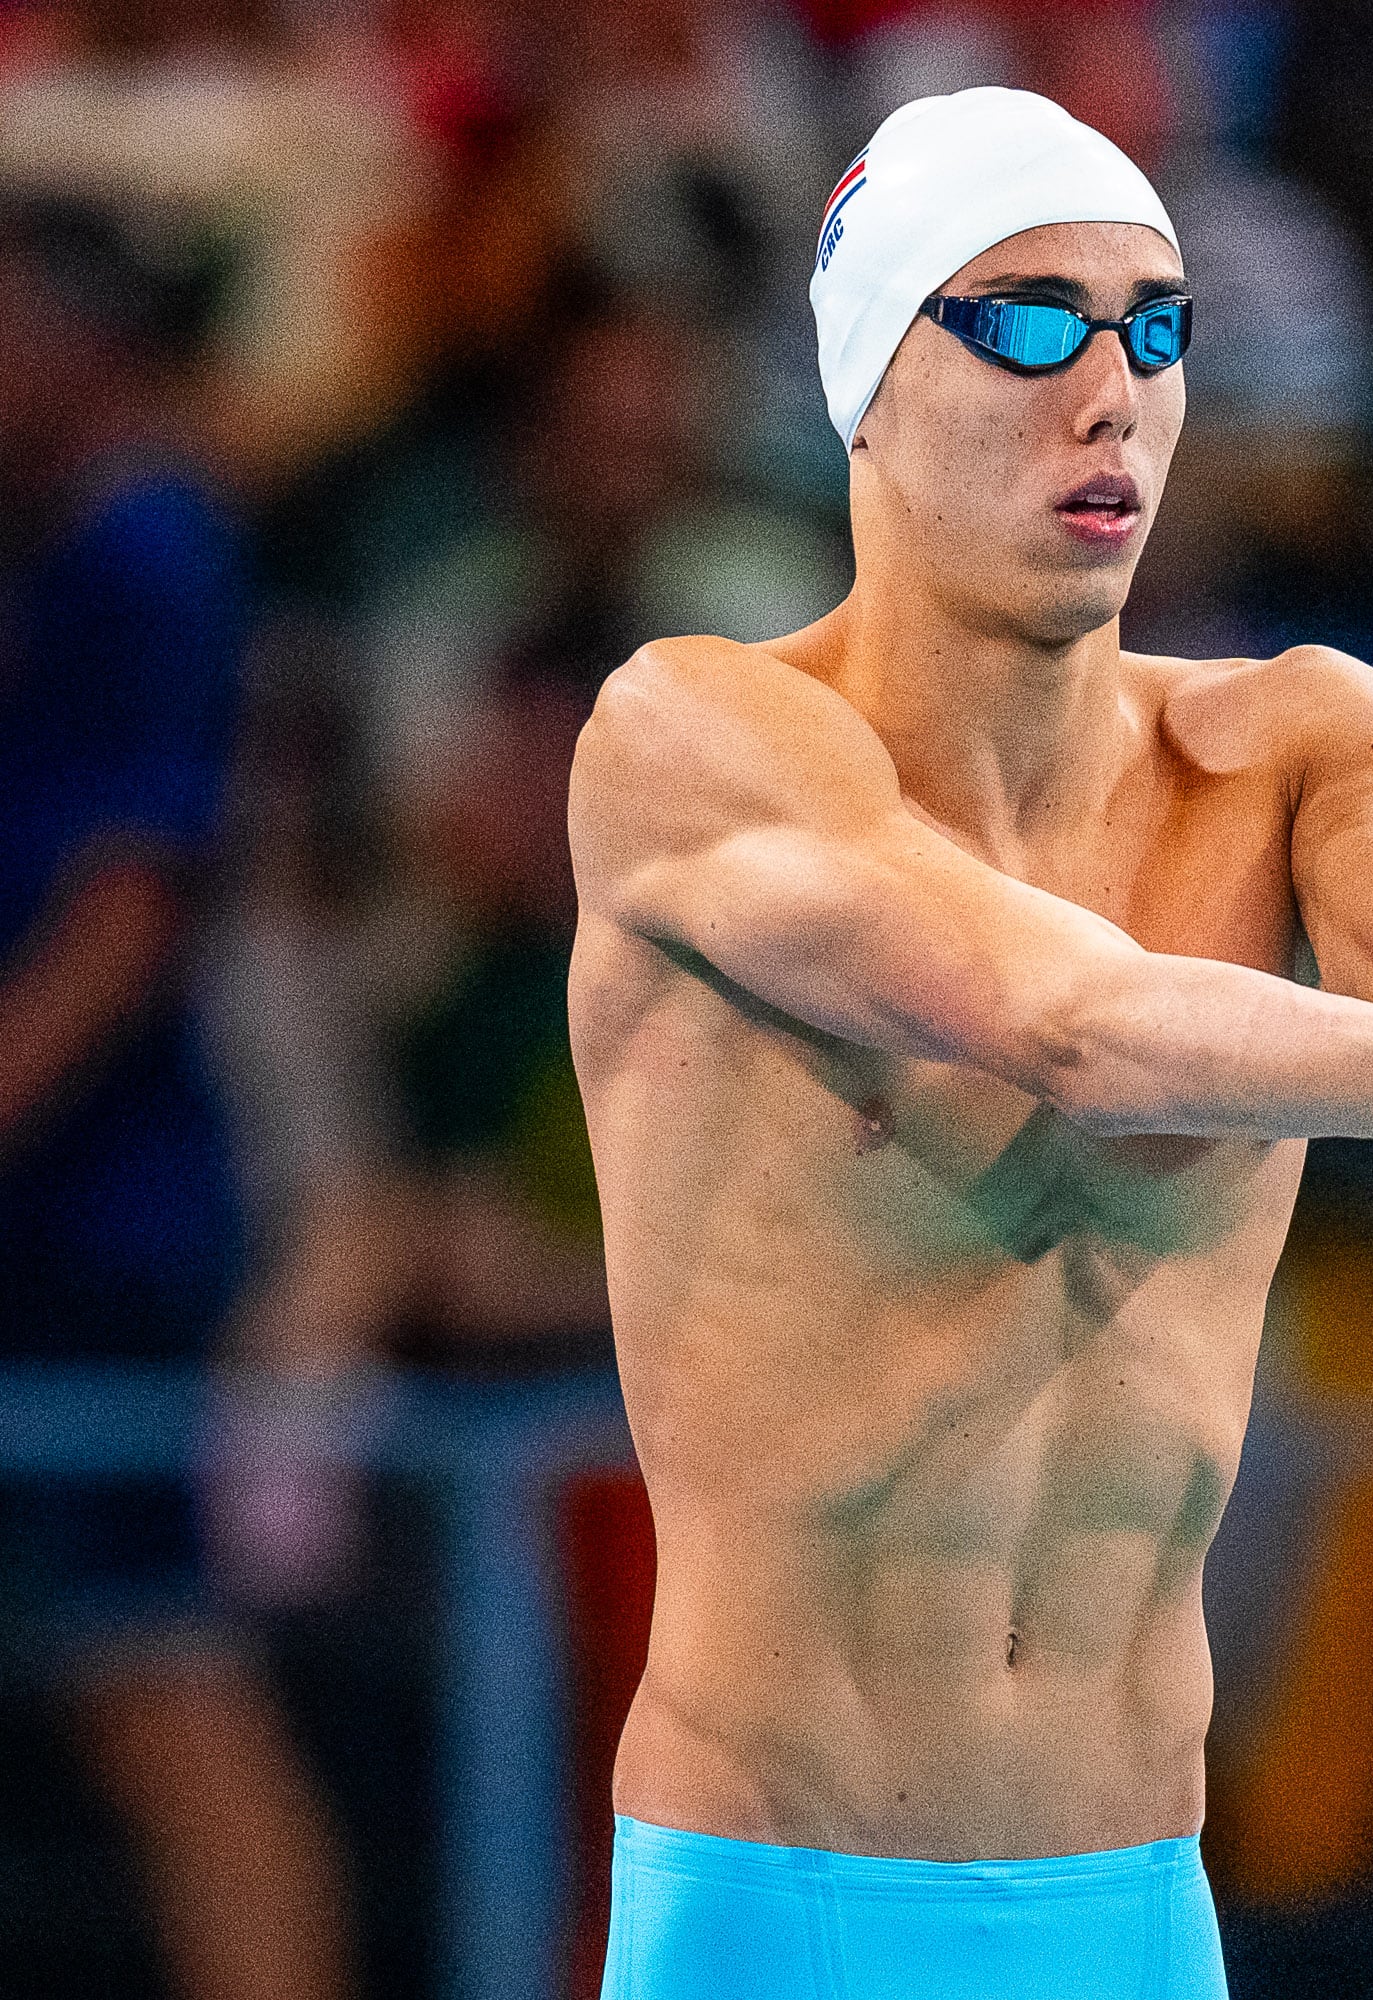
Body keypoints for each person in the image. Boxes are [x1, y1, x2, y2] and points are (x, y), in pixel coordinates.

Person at [568, 88, 1373, 1999]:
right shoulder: (689, 742)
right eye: (1026, 321)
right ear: (868, 382)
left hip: (1139, 1912)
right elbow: (1069, 1022)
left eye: (1156, 327)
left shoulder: (1297, 741)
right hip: (782, 1904)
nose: (1111, 391)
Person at [0, 199, 354, 1999]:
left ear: (86, 334)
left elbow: (127, 914)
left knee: (162, 1692)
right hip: (63, 1231)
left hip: (94, 1241)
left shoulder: (152, 550)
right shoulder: (59, 549)